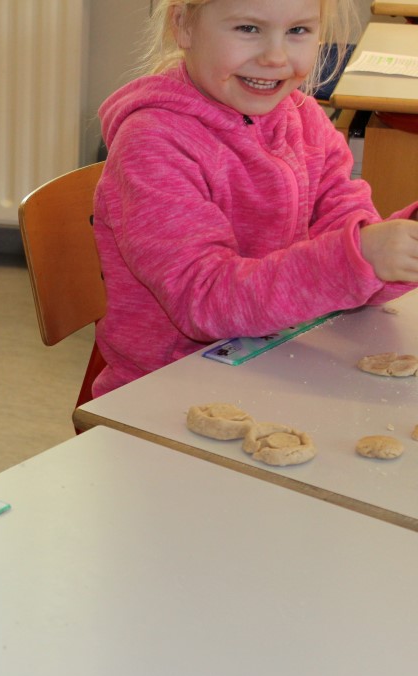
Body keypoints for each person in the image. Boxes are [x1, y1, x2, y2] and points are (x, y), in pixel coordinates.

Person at [92, 0, 418, 397]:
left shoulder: (305, 120)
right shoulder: (152, 144)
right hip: (168, 390)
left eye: (298, 30)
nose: (275, 57)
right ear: (183, 26)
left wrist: (394, 248)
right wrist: (357, 257)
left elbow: (349, 260)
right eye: (248, 29)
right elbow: (205, 302)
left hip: (275, 362)